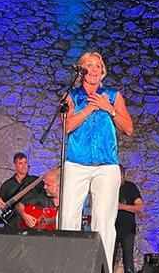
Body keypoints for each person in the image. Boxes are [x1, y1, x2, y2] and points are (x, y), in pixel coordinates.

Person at [62, 51, 134, 268]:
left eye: (97, 66)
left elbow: (128, 128)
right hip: (76, 162)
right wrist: (90, 107)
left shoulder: (112, 95)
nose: (93, 69)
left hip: (106, 165)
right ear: (81, 70)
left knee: (103, 220)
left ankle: (103, 268)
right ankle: (70, 267)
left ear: (102, 71)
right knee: (68, 218)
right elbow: (67, 126)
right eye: (88, 65)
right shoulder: (71, 96)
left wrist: (108, 108)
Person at [0, 152, 41, 228]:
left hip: (31, 222)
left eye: (25, 163)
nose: (24, 166)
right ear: (14, 166)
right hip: (12, 224)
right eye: (20, 163)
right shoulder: (7, 185)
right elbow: (0, 207)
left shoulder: (35, 181)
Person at [115, 165, 143, 273]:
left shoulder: (131, 187)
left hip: (128, 230)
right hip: (112, 228)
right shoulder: (110, 187)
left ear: (123, 175)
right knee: (109, 257)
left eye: (119, 176)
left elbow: (139, 207)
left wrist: (122, 206)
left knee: (128, 260)